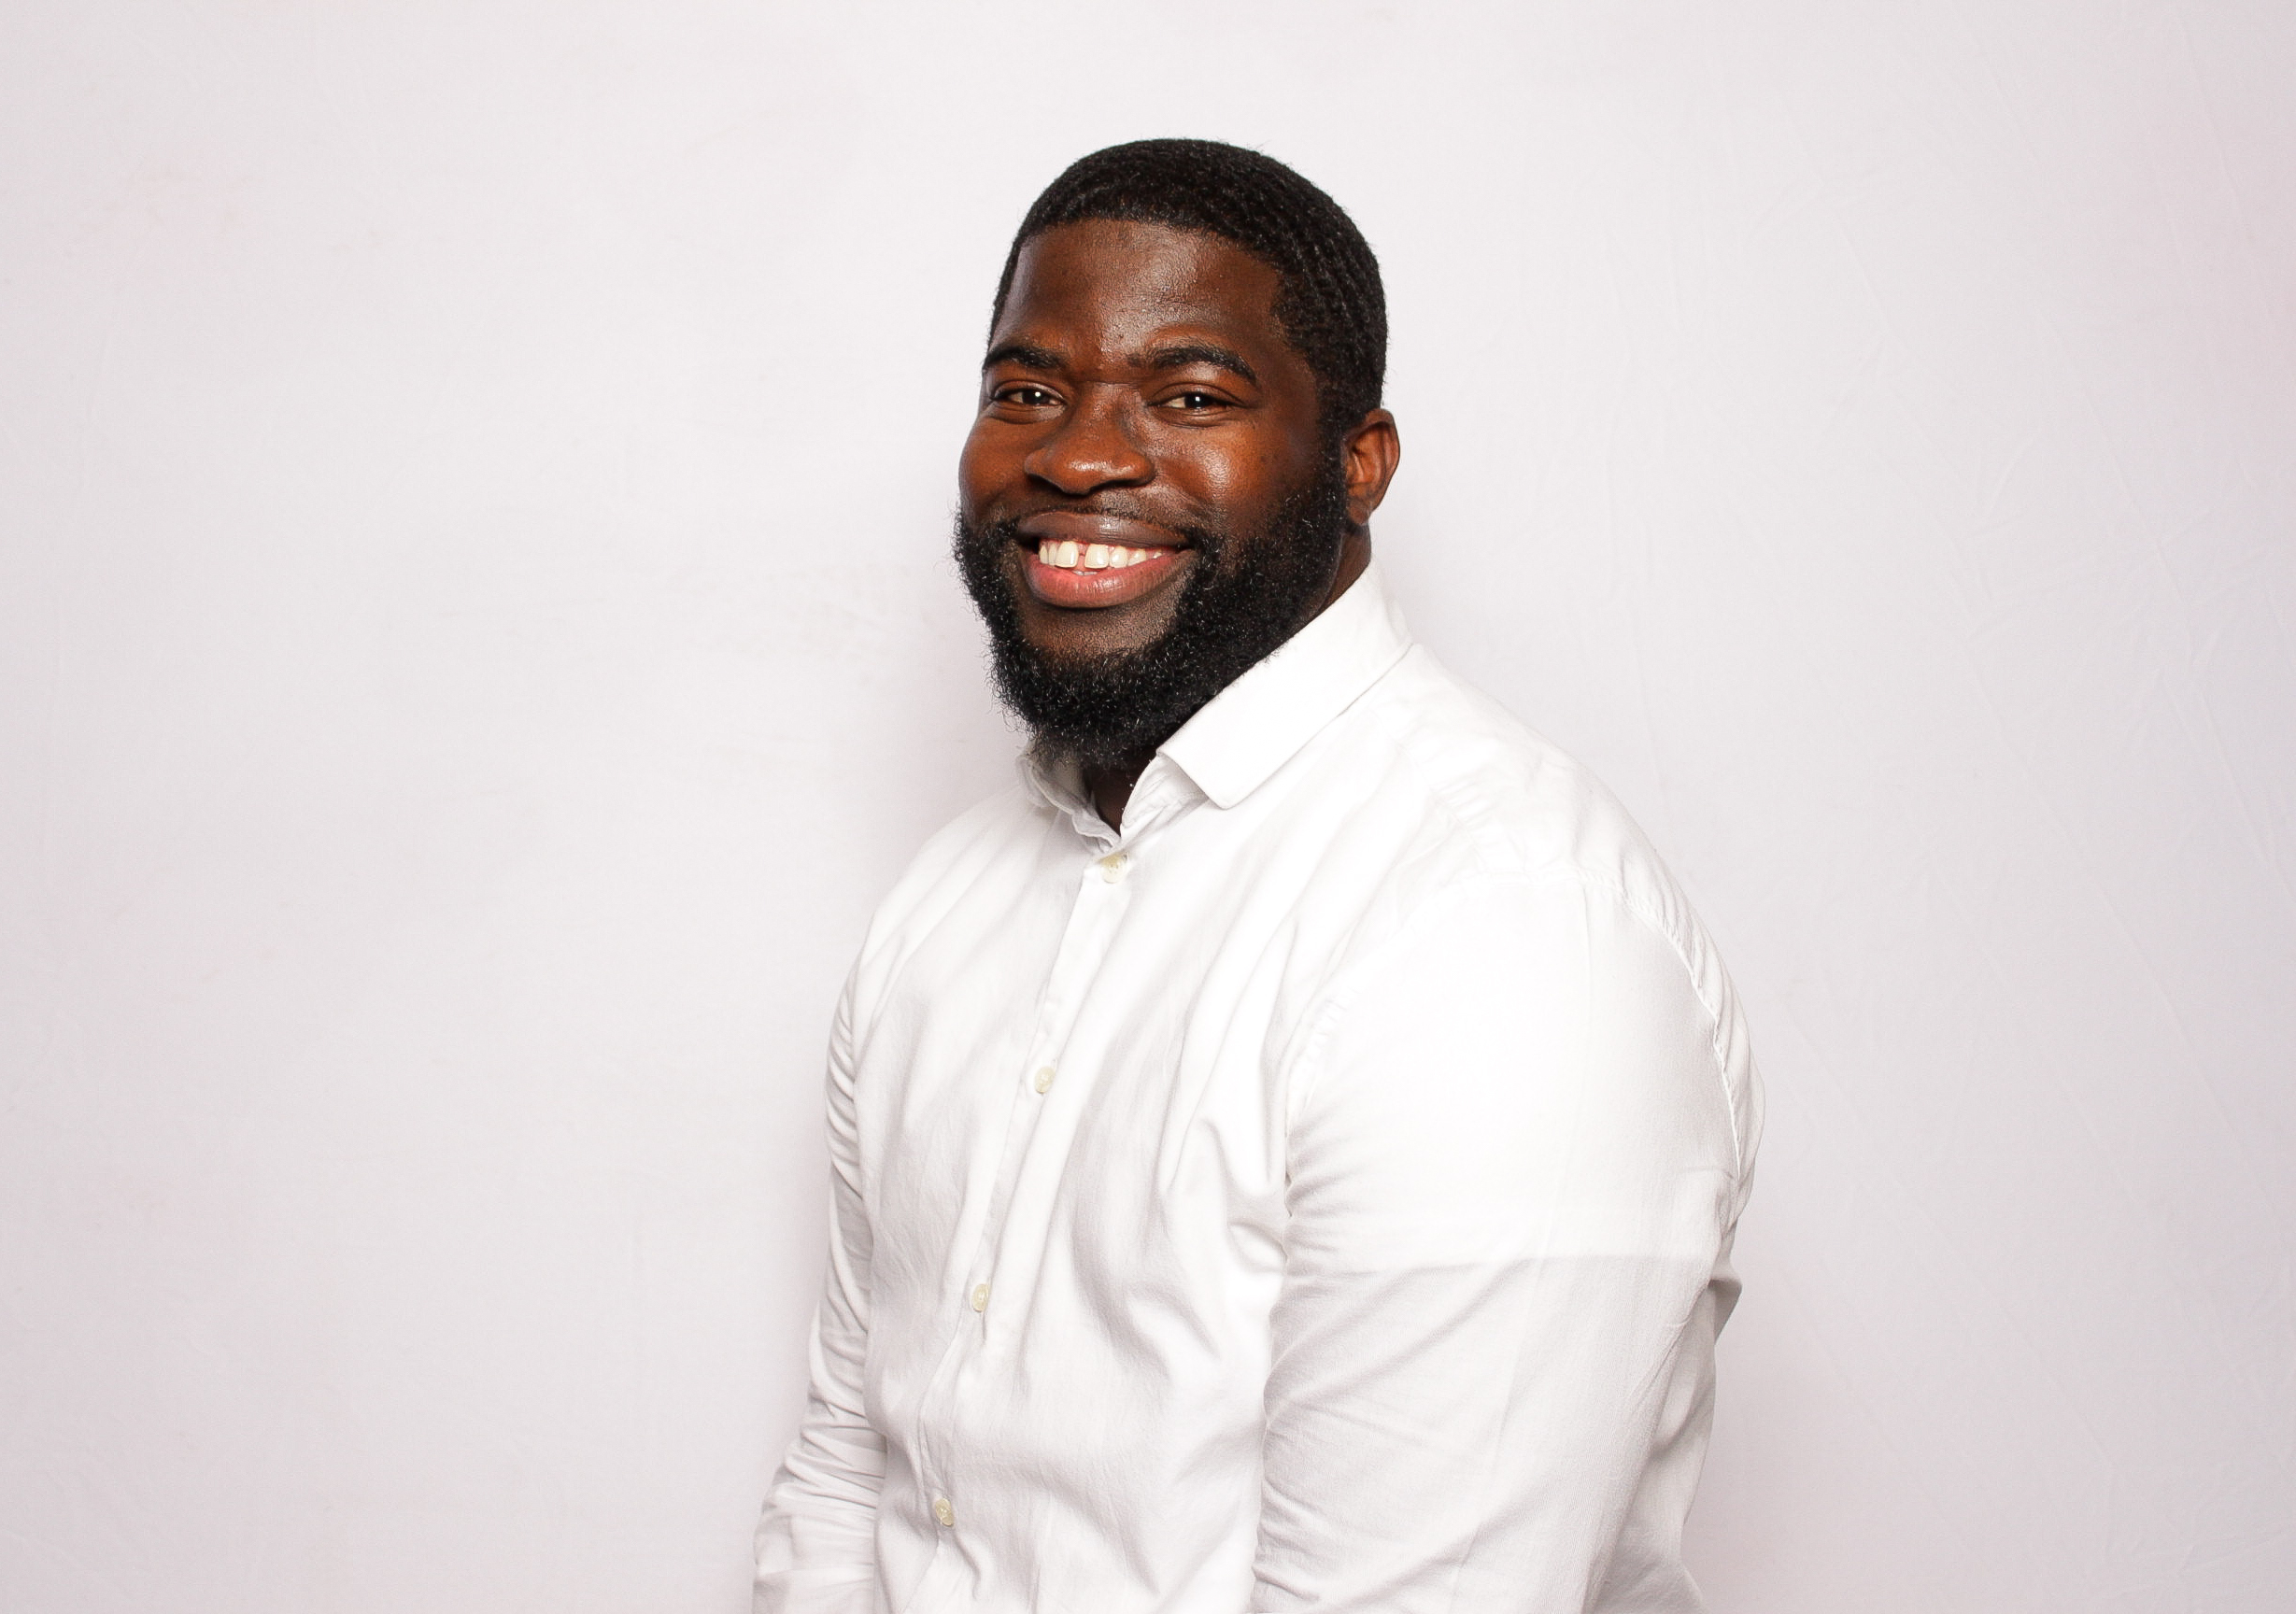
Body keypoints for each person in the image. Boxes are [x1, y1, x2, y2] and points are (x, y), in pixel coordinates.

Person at [752, 138, 1761, 1614]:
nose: (1077, 457)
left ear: (1359, 466)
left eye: (1190, 398)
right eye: (1025, 391)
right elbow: (856, 1470)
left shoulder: (1506, 937)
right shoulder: (952, 901)